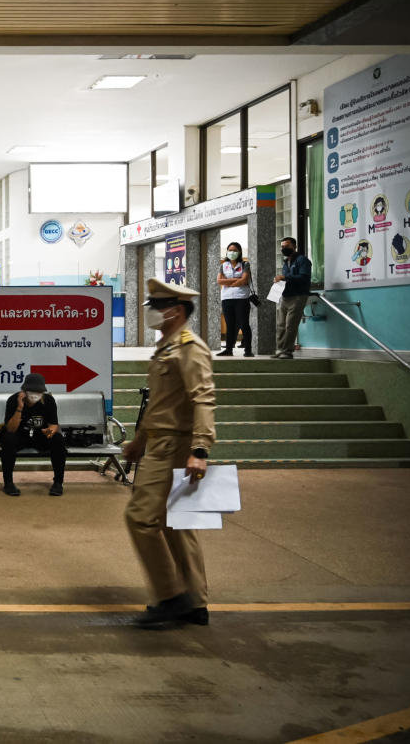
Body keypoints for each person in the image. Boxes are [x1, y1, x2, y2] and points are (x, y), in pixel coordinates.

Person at [121, 278, 216, 628]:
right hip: (160, 442)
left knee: (141, 518)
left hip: (174, 447)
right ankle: (195, 602)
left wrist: (200, 450)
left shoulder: (190, 348)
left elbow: (203, 398)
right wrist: (137, 442)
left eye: (156, 308)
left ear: (174, 311)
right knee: (178, 524)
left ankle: (171, 597)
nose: (151, 315)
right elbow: (160, 404)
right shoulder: (168, 347)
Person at [0, 373, 66, 497]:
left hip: (40, 435)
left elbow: (54, 425)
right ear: (24, 391)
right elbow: (11, 429)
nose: (35, 394)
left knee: (58, 439)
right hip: (19, 436)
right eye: (31, 391)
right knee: (8, 439)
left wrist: (48, 435)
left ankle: (58, 483)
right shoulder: (13, 400)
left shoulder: (48, 401)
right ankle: (8, 483)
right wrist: (19, 407)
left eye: (38, 392)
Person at [273, 236, 312, 359]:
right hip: (285, 296)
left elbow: (304, 277)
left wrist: (285, 278)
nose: (284, 248)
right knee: (280, 325)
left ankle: (287, 351)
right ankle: (280, 349)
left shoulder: (303, 260)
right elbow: (286, 279)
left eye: (287, 246)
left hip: (298, 296)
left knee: (290, 325)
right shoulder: (286, 262)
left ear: (294, 246)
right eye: (282, 247)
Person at [216, 242, 254, 357]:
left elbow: (244, 280)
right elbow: (219, 281)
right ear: (227, 252)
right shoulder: (223, 265)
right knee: (230, 324)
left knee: (244, 324)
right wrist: (236, 281)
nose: (232, 252)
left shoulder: (245, 264)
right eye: (230, 250)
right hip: (227, 298)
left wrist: (229, 281)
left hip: (241, 298)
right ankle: (228, 350)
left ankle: (248, 350)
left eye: (235, 250)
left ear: (239, 252)